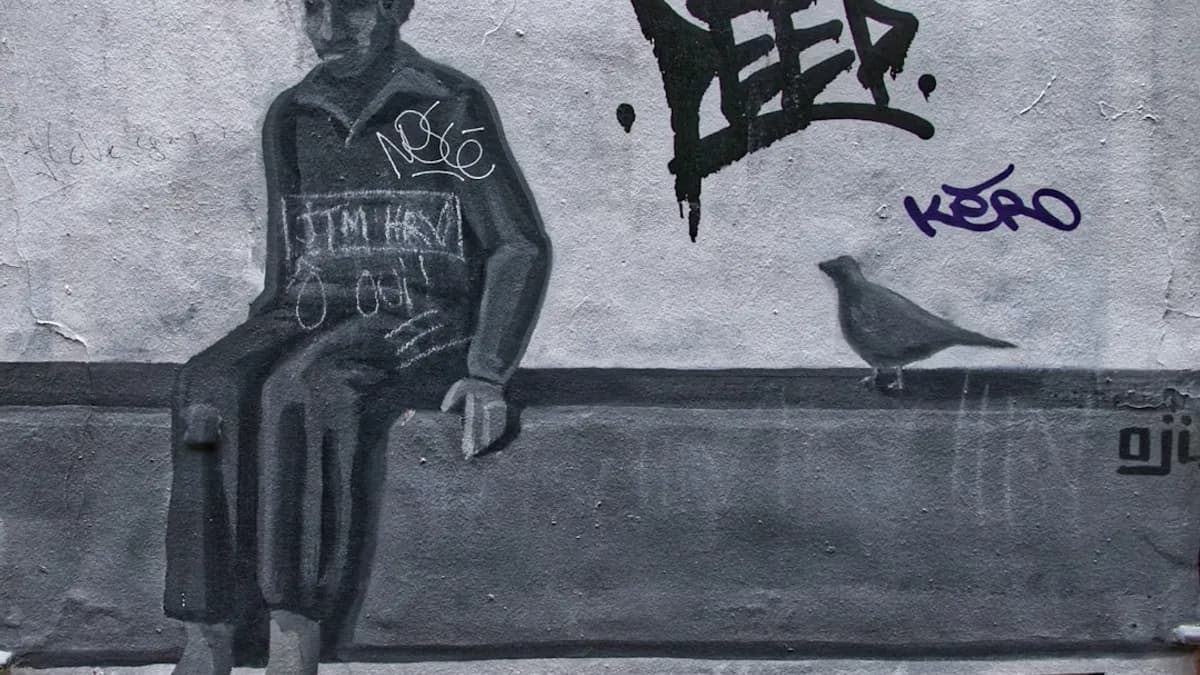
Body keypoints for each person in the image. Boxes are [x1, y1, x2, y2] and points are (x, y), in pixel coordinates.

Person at [162, 1, 550, 672]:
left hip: (419, 315)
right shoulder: (292, 115)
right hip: (312, 310)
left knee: (303, 387)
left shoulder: (445, 103)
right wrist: (258, 337)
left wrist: (489, 370)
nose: (329, 31)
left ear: (396, 8)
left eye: (352, 9)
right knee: (207, 385)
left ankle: (293, 631)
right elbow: (287, 268)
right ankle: (207, 633)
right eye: (315, 8)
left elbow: (517, 246)